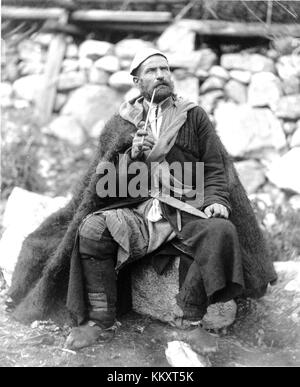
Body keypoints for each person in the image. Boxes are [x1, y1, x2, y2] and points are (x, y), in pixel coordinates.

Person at [8, 48, 277, 356]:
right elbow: (103, 186)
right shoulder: (121, 124)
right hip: (137, 214)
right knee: (93, 228)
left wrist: (217, 200)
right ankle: (100, 320)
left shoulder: (193, 116)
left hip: (185, 211)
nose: (161, 74)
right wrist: (130, 154)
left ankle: (189, 323)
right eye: (152, 71)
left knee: (221, 230)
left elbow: (216, 168)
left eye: (165, 68)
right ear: (137, 81)